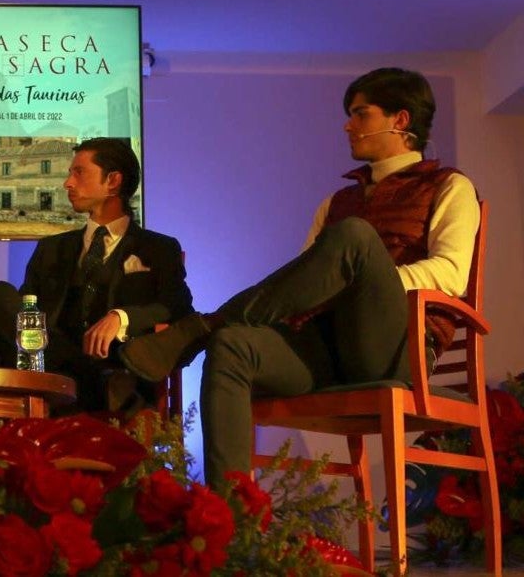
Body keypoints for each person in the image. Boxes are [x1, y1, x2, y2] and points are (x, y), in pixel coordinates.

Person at [118, 67, 480, 488]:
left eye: (361, 114)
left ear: (400, 121)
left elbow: (451, 274)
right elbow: (305, 283)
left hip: (397, 348)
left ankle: (202, 324)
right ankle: (230, 518)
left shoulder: (448, 186)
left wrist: (363, 279)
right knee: (233, 345)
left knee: (354, 238)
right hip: (325, 350)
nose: (348, 125)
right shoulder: (336, 202)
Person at [0, 137, 194, 413]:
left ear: (113, 181)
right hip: (56, 369)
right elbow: (26, 313)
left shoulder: (159, 248)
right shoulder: (52, 248)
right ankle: (86, 382)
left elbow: (178, 308)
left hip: (115, 365)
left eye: (78, 172)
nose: (67, 183)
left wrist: (122, 317)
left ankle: (80, 383)